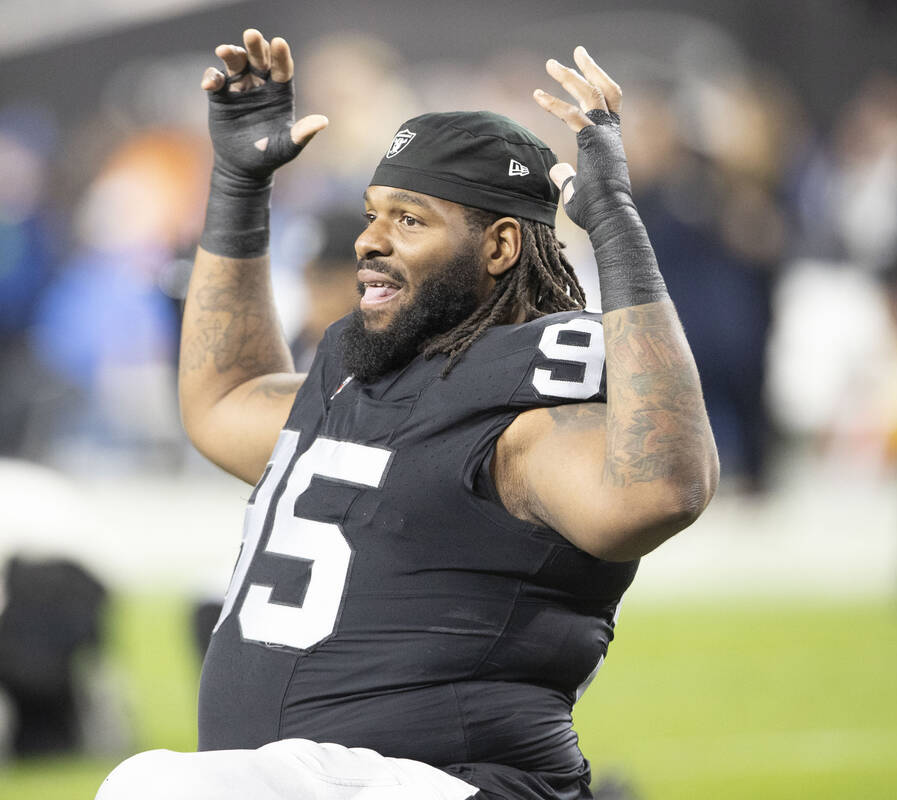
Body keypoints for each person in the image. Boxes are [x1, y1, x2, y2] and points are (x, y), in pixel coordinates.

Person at [97, 28, 718, 800]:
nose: (369, 241)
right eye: (372, 213)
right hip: (329, 782)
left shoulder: (523, 406)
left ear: (497, 247)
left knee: (159, 788)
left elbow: (660, 489)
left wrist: (618, 227)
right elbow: (222, 399)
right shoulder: (358, 381)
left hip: (461, 784)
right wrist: (236, 186)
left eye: (410, 220)